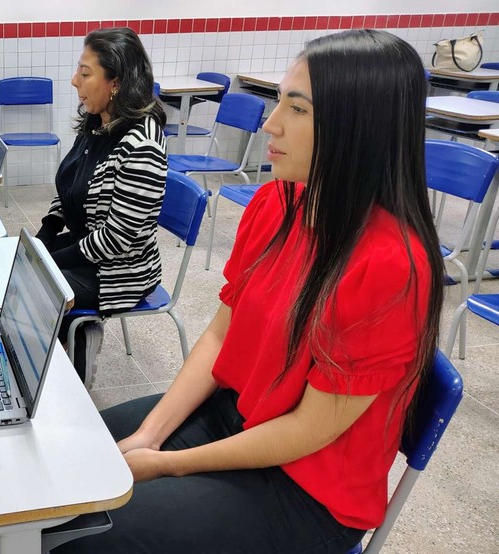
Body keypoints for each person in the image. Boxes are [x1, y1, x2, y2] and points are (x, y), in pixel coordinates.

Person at [53, 29, 443, 552]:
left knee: (94, 534)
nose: (271, 123)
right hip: (234, 416)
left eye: (297, 110)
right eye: (279, 100)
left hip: (304, 486)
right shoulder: (277, 203)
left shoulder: (390, 265)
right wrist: (150, 434)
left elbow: (308, 430)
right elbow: (218, 337)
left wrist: (168, 464)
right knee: (64, 462)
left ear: (358, 128)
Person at [34, 27, 167, 381]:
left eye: (85, 72)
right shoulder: (96, 122)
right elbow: (71, 188)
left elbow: (116, 239)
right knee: (23, 268)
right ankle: (61, 349)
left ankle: (73, 359)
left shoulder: (142, 146)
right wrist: (46, 234)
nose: (74, 80)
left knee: (38, 288)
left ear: (116, 82)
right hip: (86, 247)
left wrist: (50, 260)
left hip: (119, 270)